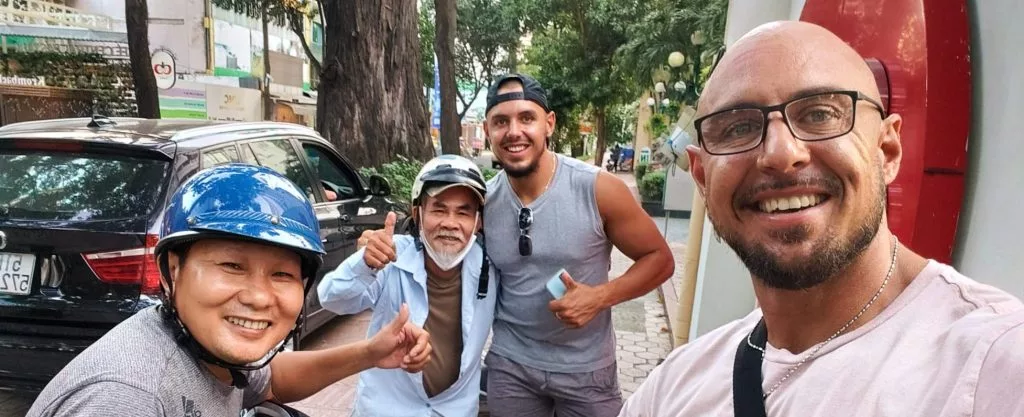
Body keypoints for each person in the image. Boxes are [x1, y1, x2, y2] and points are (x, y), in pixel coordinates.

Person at [619, 21, 1024, 417]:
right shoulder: (672, 389)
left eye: (819, 114)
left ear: (886, 151)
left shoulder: (993, 367)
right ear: (703, 178)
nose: (780, 154)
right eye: (738, 127)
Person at [27, 164, 432, 417]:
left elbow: (270, 382)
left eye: (281, 274)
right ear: (173, 270)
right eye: (232, 266)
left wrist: (370, 353)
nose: (258, 296)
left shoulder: (203, 347)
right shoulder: (126, 399)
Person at [481, 73, 674, 416]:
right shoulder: (483, 202)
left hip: (586, 370)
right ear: (487, 130)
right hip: (511, 365)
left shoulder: (598, 189)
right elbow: (436, 243)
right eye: (501, 122)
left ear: (549, 124)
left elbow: (659, 259)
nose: (514, 132)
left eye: (526, 118)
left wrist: (600, 296)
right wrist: (383, 249)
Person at [317, 155, 498, 417]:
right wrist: (364, 263)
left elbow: (532, 290)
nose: (450, 223)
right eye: (439, 210)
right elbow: (331, 298)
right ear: (418, 214)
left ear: (478, 222)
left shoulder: (490, 268)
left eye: (463, 212)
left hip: (455, 411)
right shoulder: (391, 256)